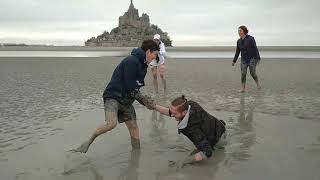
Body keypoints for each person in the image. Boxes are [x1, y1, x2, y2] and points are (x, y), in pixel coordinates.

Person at [72, 40, 159, 153]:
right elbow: (130, 86)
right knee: (111, 124)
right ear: (148, 51)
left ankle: (137, 152)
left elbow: (136, 87)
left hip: (127, 100)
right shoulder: (131, 61)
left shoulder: (143, 66)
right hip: (113, 96)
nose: (155, 58)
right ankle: (88, 142)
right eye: (154, 54)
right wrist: (145, 101)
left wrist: (145, 101)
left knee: (134, 127)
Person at [152, 95, 227, 167]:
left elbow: (207, 152)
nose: (172, 115)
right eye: (172, 112)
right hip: (218, 124)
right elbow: (171, 112)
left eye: (174, 114)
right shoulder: (189, 104)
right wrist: (153, 106)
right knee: (199, 146)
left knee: (211, 151)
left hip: (219, 138)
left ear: (184, 112)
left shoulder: (192, 129)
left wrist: (183, 162)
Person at [232, 25, 261, 93]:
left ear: (244, 31)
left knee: (252, 73)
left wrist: (258, 58)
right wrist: (234, 61)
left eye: (240, 31)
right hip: (244, 60)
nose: (239, 32)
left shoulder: (251, 39)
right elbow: (237, 52)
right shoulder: (238, 41)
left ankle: (258, 84)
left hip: (252, 59)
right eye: (238, 31)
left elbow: (255, 48)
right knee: (243, 73)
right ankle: (243, 88)